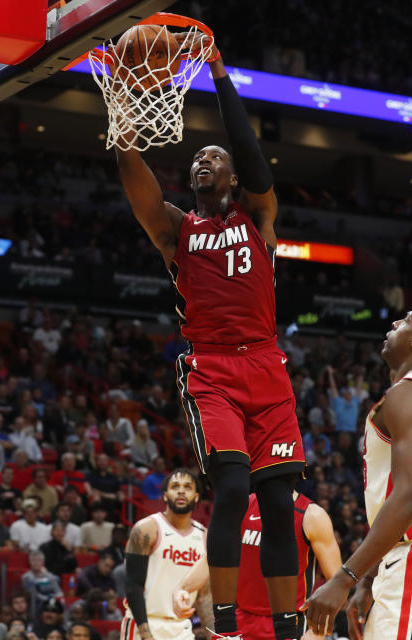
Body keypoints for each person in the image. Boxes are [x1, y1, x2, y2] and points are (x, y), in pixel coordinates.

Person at [112, 34, 305, 640]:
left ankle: (289, 626)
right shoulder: (177, 229)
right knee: (230, 488)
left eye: (214, 157)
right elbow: (136, 183)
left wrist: (219, 73)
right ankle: (222, 623)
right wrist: (123, 115)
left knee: (278, 508)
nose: (205, 161)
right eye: (197, 157)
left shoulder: (258, 214)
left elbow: (251, 155)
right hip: (214, 369)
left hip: (268, 366)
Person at [303, 307, 412, 640]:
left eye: (405, 321)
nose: (395, 324)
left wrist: (342, 579)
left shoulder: (409, 394)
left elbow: (409, 499)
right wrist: (368, 579)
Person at [172, 490, 341, 640]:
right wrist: (183, 588)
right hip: (238, 621)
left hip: (289, 625)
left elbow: (339, 584)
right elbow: (215, 557)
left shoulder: (312, 516)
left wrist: (317, 632)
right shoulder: (241, 507)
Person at [121, 469, 205, 640]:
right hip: (144, 623)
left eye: (187, 487)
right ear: (165, 495)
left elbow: (204, 595)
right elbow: (133, 584)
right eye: (175, 486)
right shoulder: (146, 529)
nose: (181, 491)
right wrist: (145, 634)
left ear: (196, 496)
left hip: (182, 628)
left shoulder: (204, 536)